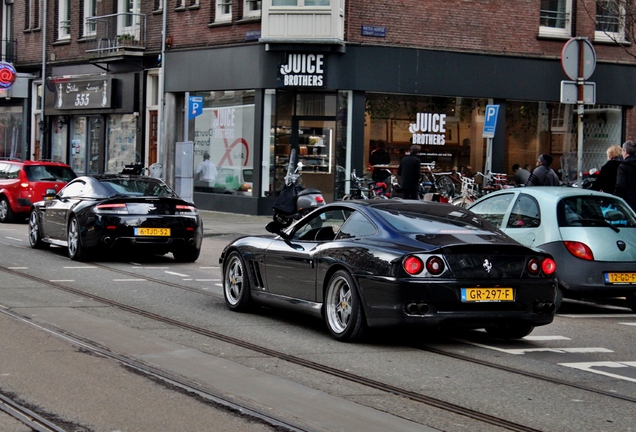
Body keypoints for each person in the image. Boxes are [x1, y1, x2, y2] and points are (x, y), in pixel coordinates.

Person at [614, 140, 636, 211]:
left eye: (622, 151)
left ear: (625, 151)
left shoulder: (623, 166)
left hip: (628, 202)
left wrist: (615, 198)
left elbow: (620, 186)